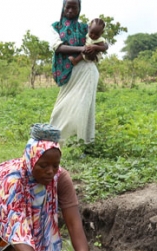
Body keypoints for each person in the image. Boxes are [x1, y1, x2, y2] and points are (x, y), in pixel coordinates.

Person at [49, 0, 105, 145]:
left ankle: (85, 143)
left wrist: (95, 49)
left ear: (79, 9)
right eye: (68, 6)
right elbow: (58, 47)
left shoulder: (86, 28)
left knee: (85, 107)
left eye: (75, 7)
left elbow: (102, 44)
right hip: (68, 72)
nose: (71, 10)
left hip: (87, 72)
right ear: (63, 7)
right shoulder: (56, 27)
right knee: (61, 107)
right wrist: (82, 49)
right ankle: (54, 139)